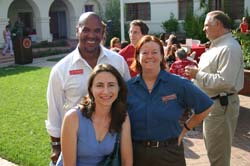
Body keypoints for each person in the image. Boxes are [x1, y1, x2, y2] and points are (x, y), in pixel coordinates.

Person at [46, 12, 131, 165]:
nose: (91, 35)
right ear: (77, 31)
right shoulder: (61, 69)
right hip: (74, 140)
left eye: (97, 30)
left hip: (108, 141)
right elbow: (54, 110)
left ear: (103, 33)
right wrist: (56, 146)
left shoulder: (118, 62)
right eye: (86, 30)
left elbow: (126, 97)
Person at [127, 35, 214, 166]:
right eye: (144, 52)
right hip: (137, 154)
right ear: (138, 57)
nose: (149, 56)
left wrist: (185, 128)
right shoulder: (128, 88)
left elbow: (206, 106)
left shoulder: (177, 84)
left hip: (169, 153)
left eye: (155, 52)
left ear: (162, 56)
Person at [185, 10, 244, 166]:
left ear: (217, 24)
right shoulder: (219, 46)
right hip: (213, 106)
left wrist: (197, 74)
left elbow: (225, 82)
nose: (204, 29)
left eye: (206, 25)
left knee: (218, 157)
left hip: (220, 106)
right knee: (215, 152)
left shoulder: (228, 48)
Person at [56, 64, 133, 166]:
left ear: (119, 88)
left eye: (111, 85)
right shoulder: (73, 118)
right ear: (91, 89)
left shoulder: (122, 116)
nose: (106, 91)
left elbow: (126, 161)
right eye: (99, 85)